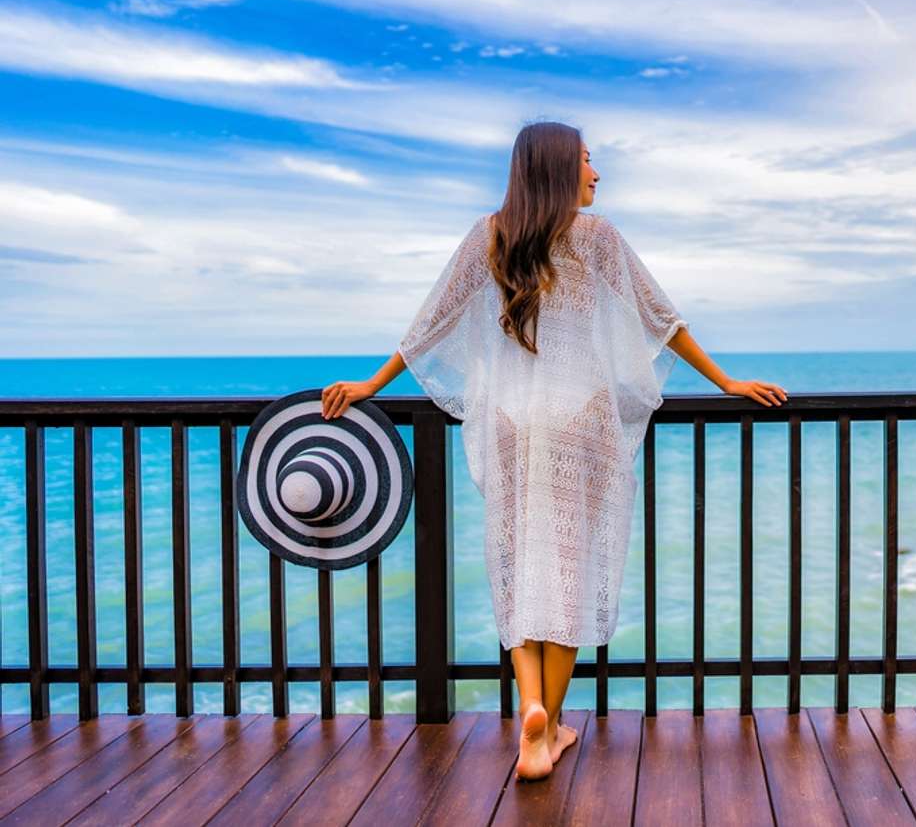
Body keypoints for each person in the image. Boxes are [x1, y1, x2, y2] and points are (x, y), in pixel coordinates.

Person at [319, 120, 787, 781]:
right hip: (580, 420)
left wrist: (371, 384)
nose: (597, 174)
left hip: (512, 420)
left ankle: (531, 709)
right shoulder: (598, 237)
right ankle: (549, 726)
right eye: (590, 162)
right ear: (562, 167)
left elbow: (431, 322)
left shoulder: (492, 235)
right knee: (572, 569)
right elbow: (663, 319)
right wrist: (728, 382)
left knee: (519, 565)